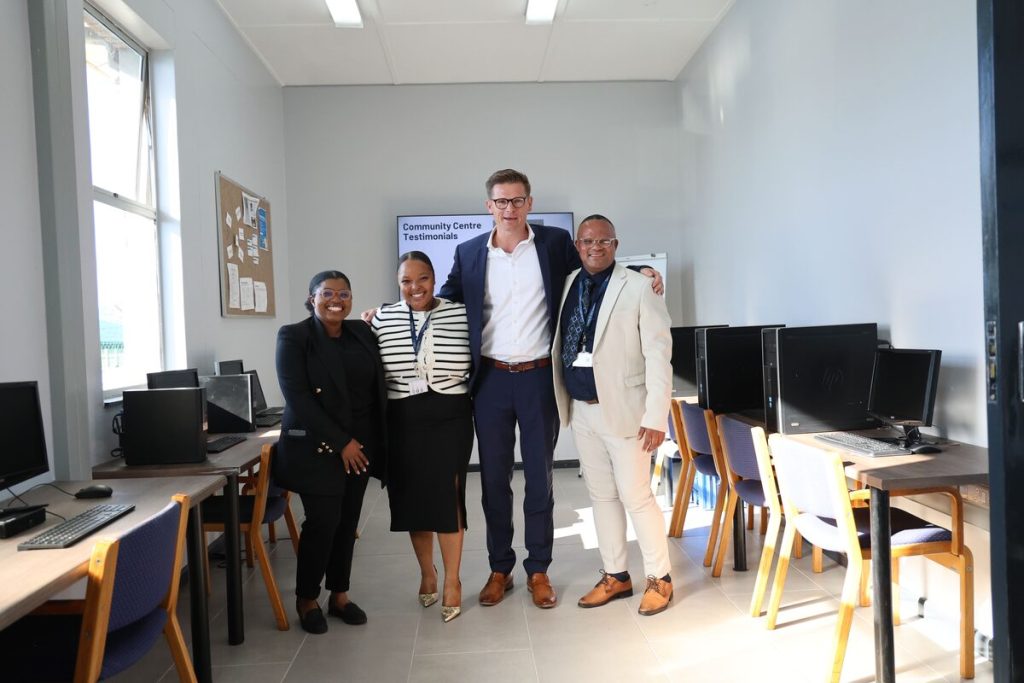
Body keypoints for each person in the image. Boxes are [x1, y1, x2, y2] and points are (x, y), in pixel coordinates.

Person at [436, 169, 664, 609]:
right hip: (491, 381)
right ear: (489, 206)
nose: (509, 209)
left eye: (517, 200)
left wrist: (643, 271)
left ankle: (538, 569)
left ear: (530, 203)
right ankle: (500, 568)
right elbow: (442, 301)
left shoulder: (554, 243)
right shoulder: (469, 253)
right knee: (494, 480)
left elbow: (597, 268)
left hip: (539, 378)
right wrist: (385, 312)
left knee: (540, 480)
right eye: (501, 201)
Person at [551, 214, 675, 616]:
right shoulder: (569, 283)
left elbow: (659, 355)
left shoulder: (639, 287)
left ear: (616, 245)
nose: (595, 248)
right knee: (601, 496)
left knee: (637, 497)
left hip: (627, 413)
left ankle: (660, 578)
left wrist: (656, 416)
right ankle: (616, 575)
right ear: (577, 245)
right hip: (581, 410)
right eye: (587, 241)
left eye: (603, 241)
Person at [274, 270, 388, 634]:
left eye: (343, 294)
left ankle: (339, 595)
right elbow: (299, 398)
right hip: (318, 446)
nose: (336, 300)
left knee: (347, 522)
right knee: (323, 522)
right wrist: (342, 443)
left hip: (361, 446)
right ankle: (307, 598)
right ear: (312, 299)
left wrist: (381, 312)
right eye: (327, 293)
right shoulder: (294, 337)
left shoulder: (361, 332)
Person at [370, 251, 473, 623]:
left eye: (423, 278)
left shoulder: (460, 314)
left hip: (451, 414)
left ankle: (452, 580)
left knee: (447, 494)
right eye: (406, 281)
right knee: (413, 496)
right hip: (403, 416)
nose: (415, 287)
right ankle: (427, 572)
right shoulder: (382, 318)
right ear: (398, 284)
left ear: (435, 278)